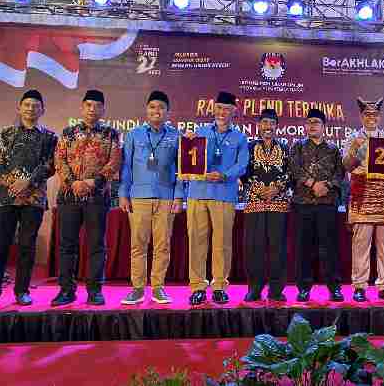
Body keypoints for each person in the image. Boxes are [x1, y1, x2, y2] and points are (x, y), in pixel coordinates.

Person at [0, 90, 58, 309]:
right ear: (19, 108)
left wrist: (28, 182)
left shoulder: (50, 137)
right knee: (0, 245)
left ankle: (22, 291)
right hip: (6, 198)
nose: (31, 108)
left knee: (27, 246)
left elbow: (51, 165)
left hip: (34, 199)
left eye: (36, 105)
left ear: (42, 110)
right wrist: (14, 183)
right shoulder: (5, 134)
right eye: (27, 104)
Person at [51, 90, 121, 306]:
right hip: (69, 196)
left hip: (97, 198)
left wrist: (92, 182)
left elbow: (114, 162)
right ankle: (66, 290)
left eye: (97, 106)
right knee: (67, 245)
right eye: (88, 105)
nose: (92, 109)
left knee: (97, 245)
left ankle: (94, 291)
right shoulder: (68, 132)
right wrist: (73, 182)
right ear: (82, 108)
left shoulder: (111, 134)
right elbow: (59, 160)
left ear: (103, 110)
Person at [118, 91, 184, 305]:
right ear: (147, 110)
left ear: (168, 112)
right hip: (138, 197)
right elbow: (126, 167)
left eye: (162, 107)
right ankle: (137, 288)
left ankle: (158, 287)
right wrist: (123, 193)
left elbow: (182, 169)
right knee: (138, 245)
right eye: (153, 107)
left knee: (162, 245)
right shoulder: (134, 134)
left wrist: (178, 196)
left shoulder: (176, 136)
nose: (157, 111)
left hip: (166, 198)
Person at [185, 91, 249, 305]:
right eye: (219, 108)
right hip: (198, 193)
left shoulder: (240, 138)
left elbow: (242, 165)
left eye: (227, 109)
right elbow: (187, 158)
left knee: (222, 243)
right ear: (213, 109)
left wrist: (224, 175)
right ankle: (197, 286)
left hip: (224, 194)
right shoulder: (199, 132)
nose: (222, 112)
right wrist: (187, 142)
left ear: (234, 112)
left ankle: (219, 286)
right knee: (196, 242)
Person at [342, 98, 384, 303]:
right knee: (361, 244)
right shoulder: (353, 138)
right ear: (361, 117)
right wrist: (354, 149)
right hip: (363, 195)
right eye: (367, 114)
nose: (371, 118)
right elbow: (347, 166)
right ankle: (359, 286)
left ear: (379, 117)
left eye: (374, 115)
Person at [290, 108, 345, 303]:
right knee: (304, 247)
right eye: (309, 122)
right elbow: (294, 169)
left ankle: (334, 288)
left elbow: (340, 173)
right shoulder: (297, 146)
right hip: (303, 204)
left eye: (316, 122)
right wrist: (313, 184)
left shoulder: (333, 149)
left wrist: (327, 186)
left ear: (324, 127)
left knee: (329, 247)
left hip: (327, 204)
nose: (312, 125)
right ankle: (304, 288)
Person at [241, 108, 291, 302]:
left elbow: (290, 172)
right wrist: (259, 188)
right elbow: (244, 171)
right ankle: (255, 288)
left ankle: (276, 290)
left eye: (271, 123)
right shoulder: (249, 147)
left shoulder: (285, 148)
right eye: (264, 123)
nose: (268, 126)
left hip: (279, 203)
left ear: (277, 126)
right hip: (255, 202)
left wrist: (276, 188)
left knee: (278, 247)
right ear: (258, 125)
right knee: (255, 247)